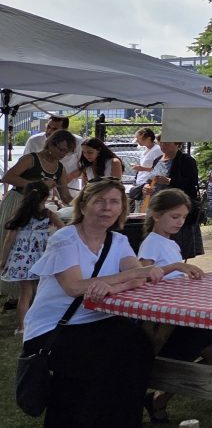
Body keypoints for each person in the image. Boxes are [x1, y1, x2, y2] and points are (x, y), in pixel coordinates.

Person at [21, 179, 164, 427]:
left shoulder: (118, 241)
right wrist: (129, 276)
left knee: (139, 348)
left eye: (114, 202)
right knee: (96, 362)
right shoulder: (65, 239)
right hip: (55, 327)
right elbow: (75, 287)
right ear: (84, 205)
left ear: (122, 208)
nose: (107, 208)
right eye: (100, 201)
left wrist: (113, 286)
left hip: (99, 320)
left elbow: (141, 277)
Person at [138, 189, 212, 422]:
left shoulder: (170, 243)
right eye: (175, 216)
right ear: (156, 215)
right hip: (165, 322)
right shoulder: (151, 243)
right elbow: (143, 276)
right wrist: (176, 267)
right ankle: (159, 397)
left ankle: (158, 400)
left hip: (181, 315)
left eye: (183, 217)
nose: (180, 222)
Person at [1, 129, 76, 310]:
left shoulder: (59, 168)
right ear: (51, 144)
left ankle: (23, 296)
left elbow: (65, 195)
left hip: (37, 209)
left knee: (28, 251)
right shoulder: (31, 159)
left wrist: (81, 205)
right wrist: (38, 185)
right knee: (10, 244)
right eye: (61, 149)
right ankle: (11, 293)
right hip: (18, 203)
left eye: (67, 151)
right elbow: (8, 177)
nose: (63, 154)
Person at [1, 181, 64, 335]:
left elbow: (9, 239)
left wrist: (3, 260)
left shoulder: (20, 215)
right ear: (46, 197)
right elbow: (63, 229)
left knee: (25, 294)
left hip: (22, 259)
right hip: (42, 258)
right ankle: (41, 322)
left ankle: (22, 327)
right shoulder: (48, 214)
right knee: (42, 292)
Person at [148, 141, 203, 258]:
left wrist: (169, 181)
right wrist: (147, 187)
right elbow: (150, 179)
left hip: (177, 205)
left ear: (177, 144)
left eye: (167, 143)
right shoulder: (157, 159)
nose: (163, 146)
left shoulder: (186, 160)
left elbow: (191, 183)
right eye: (161, 143)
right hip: (159, 204)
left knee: (178, 242)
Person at [24, 115, 84, 195]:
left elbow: (85, 166)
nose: (49, 131)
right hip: (39, 193)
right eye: (48, 127)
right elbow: (23, 169)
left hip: (70, 190)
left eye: (55, 129)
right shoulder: (33, 141)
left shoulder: (79, 142)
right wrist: (37, 184)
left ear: (65, 130)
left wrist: (69, 177)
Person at [129, 127, 162, 206]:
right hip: (141, 183)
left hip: (147, 185)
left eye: (139, 139)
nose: (137, 141)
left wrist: (142, 168)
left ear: (148, 138)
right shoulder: (146, 149)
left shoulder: (157, 150)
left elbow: (159, 169)